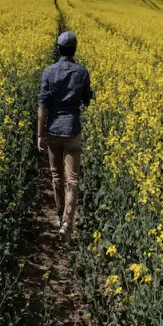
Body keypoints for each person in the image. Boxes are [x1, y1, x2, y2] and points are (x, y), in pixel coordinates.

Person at [37, 31, 93, 241]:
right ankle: (68, 224)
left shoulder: (49, 72)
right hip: (72, 130)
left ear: (58, 49)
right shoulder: (82, 72)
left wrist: (39, 133)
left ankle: (61, 217)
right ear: (75, 50)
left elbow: (42, 105)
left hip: (53, 130)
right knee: (73, 179)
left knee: (57, 177)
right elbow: (87, 100)